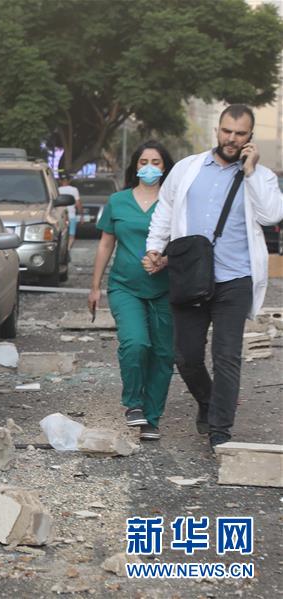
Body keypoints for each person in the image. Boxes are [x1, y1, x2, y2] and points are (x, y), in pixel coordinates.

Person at [144, 104, 283, 450]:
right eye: (226, 131)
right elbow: (166, 208)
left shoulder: (261, 177)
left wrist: (250, 172)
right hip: (191, 275)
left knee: (227, 356)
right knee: (186, 356)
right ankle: (207, 401)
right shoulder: (188, 168)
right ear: (217, 130)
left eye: (239, 134)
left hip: (236, 279)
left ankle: (220, 429)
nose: (231, 139)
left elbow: (271, 215)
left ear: (249, 137)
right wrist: (154, 247)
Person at [88, 141, 176, 440]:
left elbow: (188, 244)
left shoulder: (175, 202)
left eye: (155, 161)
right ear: (135, 167)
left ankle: (152, 418)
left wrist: (165, 261)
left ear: (165, 167)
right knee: (136, 343)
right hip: (125, 286)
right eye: (143, 161)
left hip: (166, 290)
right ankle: (134, 404)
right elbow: (105, 244)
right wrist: (95, 286)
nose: (149, 167)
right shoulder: (118, 201)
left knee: (163, 354)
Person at [58, 173, 83, 249]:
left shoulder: (57, 190)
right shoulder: (74, 190)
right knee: (71, 235)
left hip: (60, 216)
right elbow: (78, 203)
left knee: (61, 234)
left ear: (60, 181)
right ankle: (68, 249)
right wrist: (81, 215)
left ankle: (62, 250)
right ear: (69, 180)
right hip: (72, 216)